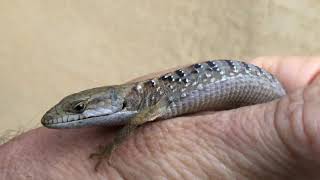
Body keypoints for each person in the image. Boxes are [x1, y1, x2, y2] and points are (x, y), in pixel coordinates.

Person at [1, 57, 319, 179]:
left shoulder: (140, 110)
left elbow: (137, 121)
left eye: (80, 109)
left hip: (258, 82)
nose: (70, 116)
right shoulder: (140, 100)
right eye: (77, 109)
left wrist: (111, 150)